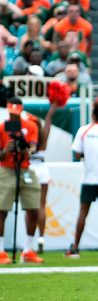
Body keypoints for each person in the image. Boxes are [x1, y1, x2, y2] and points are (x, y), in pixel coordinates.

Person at [66, 102, 98, 261]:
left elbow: (77, 155)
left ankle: (75, 248)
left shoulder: (84, 130)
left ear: (93, 114)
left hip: (88, 178)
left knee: (83, 213)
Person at [0, 97, 43, 264]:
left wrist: (26, 151)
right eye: (12, 114)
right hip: (7, 168)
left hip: (25, 168)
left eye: (16, 114)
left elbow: (33, 147)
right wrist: (5, 151)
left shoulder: (30, 125)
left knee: (33, 208)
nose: (14, 117)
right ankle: (1, 251)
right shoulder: (3, 127)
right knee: (2, 210)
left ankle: (27, 250)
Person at [30, 102, 58, 254]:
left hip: (30, 169)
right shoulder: (44, 134)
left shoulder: (29, 134)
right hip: (42, 169)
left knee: (29, 208)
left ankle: (30, 239)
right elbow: (49, 119)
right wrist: (54, 104)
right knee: (41, 205)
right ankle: (41, 237)